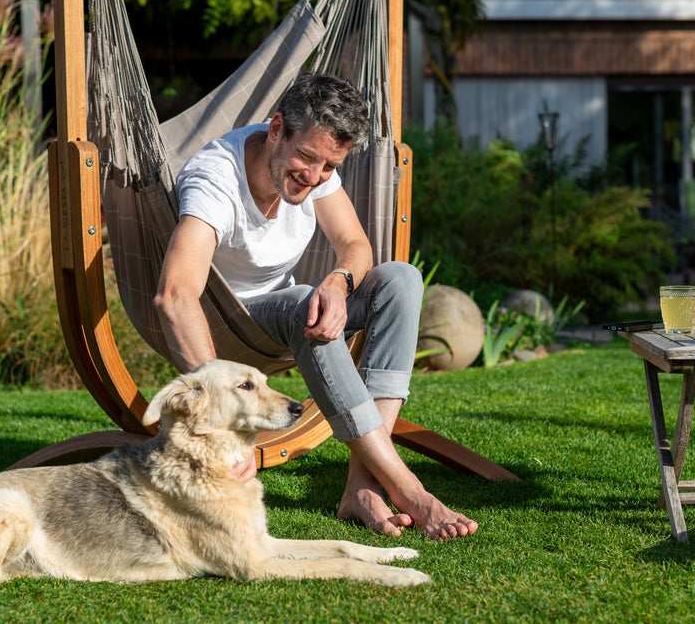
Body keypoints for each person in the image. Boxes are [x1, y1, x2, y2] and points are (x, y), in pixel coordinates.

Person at [153, 73, 477, 540]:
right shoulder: (215, 179)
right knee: (303, 304)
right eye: (307, 158)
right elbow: (176, 295)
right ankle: (408, 488)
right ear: (278, 128)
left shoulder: (317, 162)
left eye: (329, 166)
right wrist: (218, 401)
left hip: (286, 314)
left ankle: (362, 486)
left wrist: (338, 283)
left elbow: (354, 244)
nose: (315, 176)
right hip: (224, 328)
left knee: (400, 280)